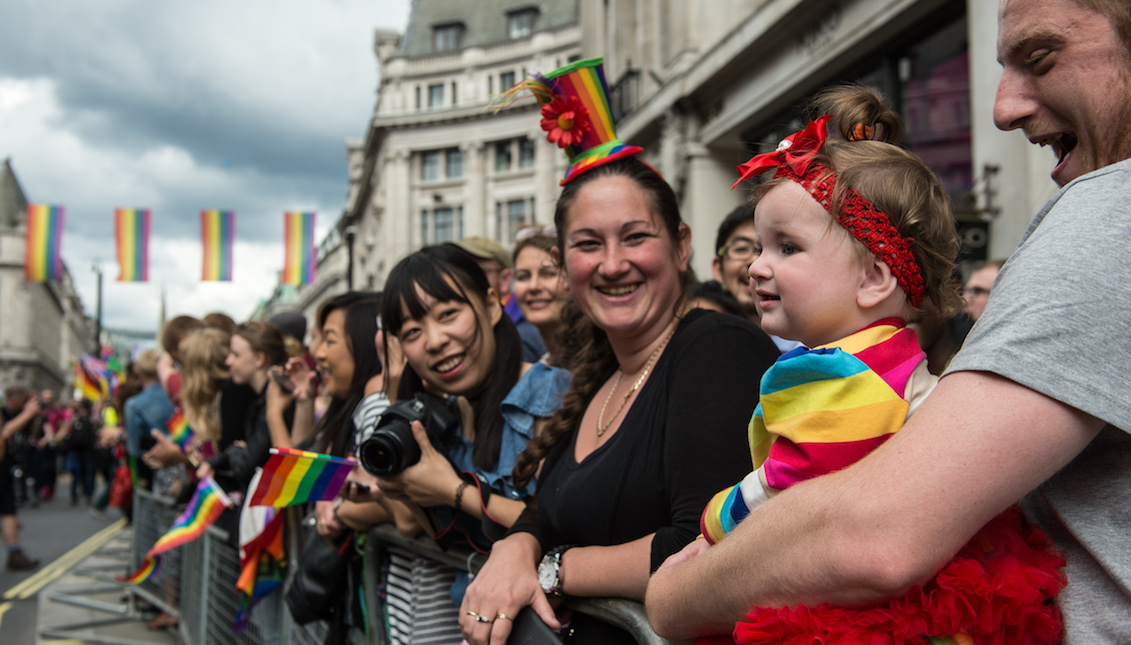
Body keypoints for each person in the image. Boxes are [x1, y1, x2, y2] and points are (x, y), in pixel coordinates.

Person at [645, 2, 1131, 643]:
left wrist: (676, 584)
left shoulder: (1109, 210)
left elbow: (871, 535)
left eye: (1040, 58)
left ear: (876, 278)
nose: (1002, 108)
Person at [461, 58, 780, 645]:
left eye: (635, 236)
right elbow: (547, 510)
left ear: (680, 246)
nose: (613, 264)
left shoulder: (716, 350)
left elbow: (708, 542)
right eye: (588, 244)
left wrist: (553, 570)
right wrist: (517, 546)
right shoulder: (602, 374)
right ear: (565, 268)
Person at [196, 322, 288, 491]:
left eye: (236, 355)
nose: (228, 361)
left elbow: (245, 467)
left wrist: (237, 450)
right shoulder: (260, 396)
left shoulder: (273, 399)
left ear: (259, 359)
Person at [453, 236, 548, 362]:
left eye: (476, 272)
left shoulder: (521, 334)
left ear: (505, 280)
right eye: (458, 271)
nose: (464, 280)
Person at [511, 232, 569, 360]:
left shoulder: (605, 362)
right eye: (523, 276)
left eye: (549, 274)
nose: (533, 286)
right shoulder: (540, 369)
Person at [0, 385, 41, 569]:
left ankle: (14, 553)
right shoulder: (4, 411)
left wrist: (33, 417)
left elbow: (30, 436)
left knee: (9, 510)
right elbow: (5, 432)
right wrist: (28, 413)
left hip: (6, 467)